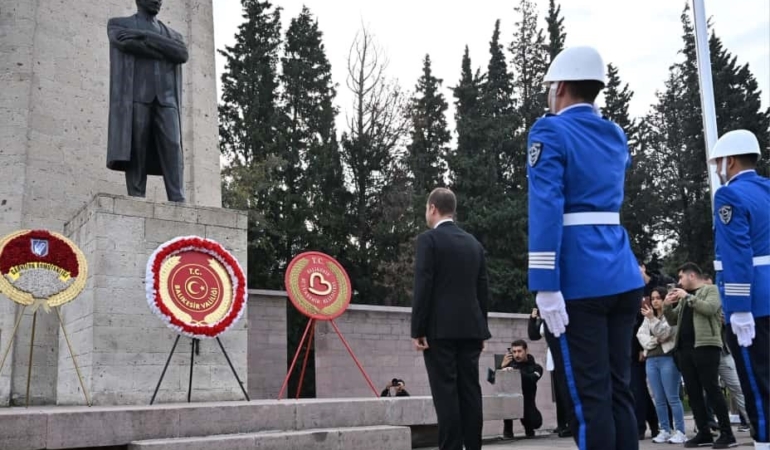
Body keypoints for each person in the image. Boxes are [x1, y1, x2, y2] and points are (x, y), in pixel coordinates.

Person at [526, 45, 645, 450]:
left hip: (580, 279)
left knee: (589, 399)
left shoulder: (549, 130)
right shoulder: (613, 133)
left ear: (558, 86)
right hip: (621, 272)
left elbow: (546, 207)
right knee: (618, 392)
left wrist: (545, 282)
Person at [411, 187, 492, 450]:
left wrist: (417, 328)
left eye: (426, 208)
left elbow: (424, 285)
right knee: (470, 392)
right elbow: (483, 291)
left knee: (446, 394)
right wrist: (483, 330)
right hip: (471, 329)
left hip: (439, 331)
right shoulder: (475, 244)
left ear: (432, 208)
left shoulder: (429, 241)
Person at [709, 129, 770, 450]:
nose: (718, 168)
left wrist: (739, 307)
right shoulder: (767, 189)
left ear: (729, 161)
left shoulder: (728, 195)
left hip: (752, 304)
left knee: (757, 382)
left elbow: (736, 255)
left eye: (719, 162)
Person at [107, 0, 189, 202]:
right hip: (136, 96)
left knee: (173, 145)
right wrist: (164, 50)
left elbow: (181, 54)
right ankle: (136, 197)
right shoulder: (119, 24)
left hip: (167, 99)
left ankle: (178, 198)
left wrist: (145, 36)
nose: (158, 1)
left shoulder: (174, 35)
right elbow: (126, 44)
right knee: (137, 146)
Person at [663, 263, 737, 448]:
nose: (679, 282)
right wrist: (666, 305)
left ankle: (727, 434)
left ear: (692, 276)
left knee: (712, 390)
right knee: (694, 393)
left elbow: (710, 309)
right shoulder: (683, 298)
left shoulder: (710, 290)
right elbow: (672, 319)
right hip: (685, 349)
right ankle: (704, 433)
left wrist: (687, 296)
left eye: (681, 277)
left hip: (706, 346)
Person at [636, 286, 687, 444]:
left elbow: (665, 333)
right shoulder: (648, 316)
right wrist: (653, 341)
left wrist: (652, 320)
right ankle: (664, 429)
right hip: (651, 358)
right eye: (653, 298)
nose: (655, 301)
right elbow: (640, 334)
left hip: (667, 358)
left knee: (672, 397)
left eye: (658, 297)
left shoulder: (670, 314)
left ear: (665, 298)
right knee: (658, 398)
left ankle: (680, 431)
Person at [528, 308, 572, 438]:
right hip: (553, 357)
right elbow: (533, 335)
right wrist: (532, 319)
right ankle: (562, 423)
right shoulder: (544, 320)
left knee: (567, 392)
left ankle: (571, 423)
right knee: (559, 393)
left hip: (566, 355)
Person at [500, 340, 544, 438]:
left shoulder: (536, 367)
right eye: (514, 352)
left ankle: (529, 428)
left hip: (527, 402)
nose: (517, 355)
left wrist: (515, 372)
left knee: (535, 423)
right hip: (510, 401)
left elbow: (532, 379)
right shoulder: (509, 366)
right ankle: (508, 430)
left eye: (519, 351)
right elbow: (493, 381)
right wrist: (501, 367)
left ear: (526, 351)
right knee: (506, 400)